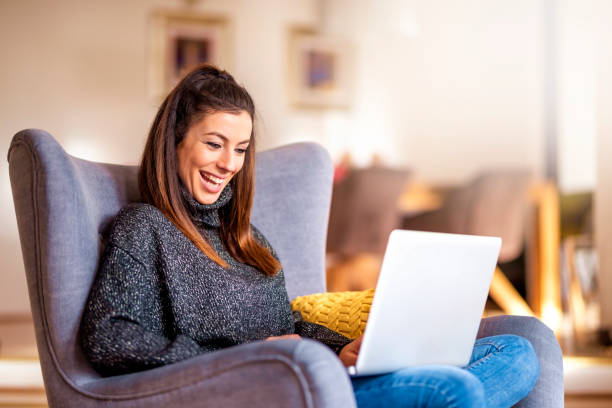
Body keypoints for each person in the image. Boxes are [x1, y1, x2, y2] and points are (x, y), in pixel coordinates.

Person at [80, 64, 540, 407]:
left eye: (240, 149)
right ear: (175, 141)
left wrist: (342, 349)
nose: (228, 165)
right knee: (456, 388)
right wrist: (250, 358)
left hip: (320, 381)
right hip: (264, 391)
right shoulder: (145, 229)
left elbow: (288, 329)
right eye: (214, 143)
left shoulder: (247, 239)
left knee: (516, 352)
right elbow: (110, 339)